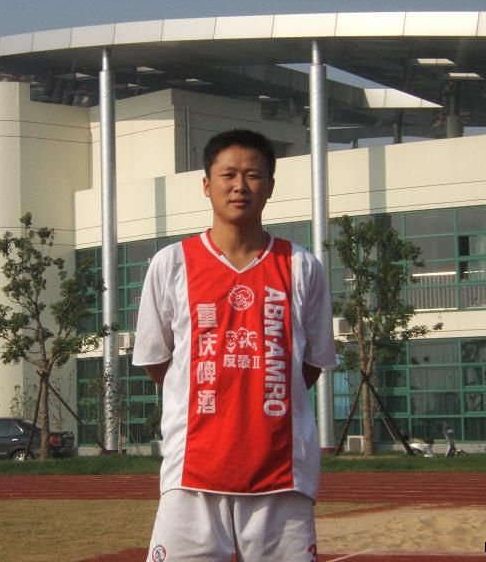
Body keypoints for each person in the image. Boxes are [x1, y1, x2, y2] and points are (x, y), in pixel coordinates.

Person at [132, 129, 336, 562]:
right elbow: (157, 360)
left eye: (252, 175)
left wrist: (263, 389)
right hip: (192, 476)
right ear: (207, 184)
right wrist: (209, 392)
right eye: (228, 175)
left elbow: (311, 364)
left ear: (271, 186)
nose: (240, 186)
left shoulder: (302, 266)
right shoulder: (171, 263)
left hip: (281, 476)